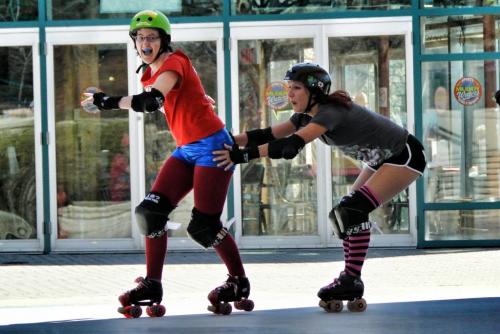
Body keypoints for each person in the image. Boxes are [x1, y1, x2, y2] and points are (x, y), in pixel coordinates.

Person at [213, 62, 426, 312]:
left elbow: (290, 146)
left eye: (296, 88)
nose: (289, 94)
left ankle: (351, 279)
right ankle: (350, 278)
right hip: (380, 159)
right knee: (342, 215)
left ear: (313, 92)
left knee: (352, 211)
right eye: (288, 88)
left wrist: (242, 156)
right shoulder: (305, 115)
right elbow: (269, 134)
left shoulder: (329, 112)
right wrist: (228, 140)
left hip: (404, 155)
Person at [81, 9, 253, 317]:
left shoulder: (174, 62)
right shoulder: (150, 72)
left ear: (164, 40)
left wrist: (107, 102)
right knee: (150, 213)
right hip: (187, 149)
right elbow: (167, 104)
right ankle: (152, 284)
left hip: (214, 147)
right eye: (140, 38)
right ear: (134, 42)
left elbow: (151, 101)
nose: (145, 43)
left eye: (151, 37)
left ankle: (238, 281)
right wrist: (198, 99)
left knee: (204, 226)